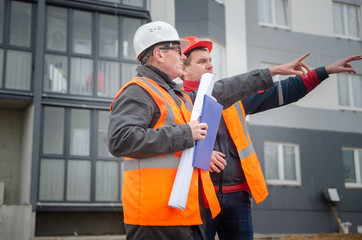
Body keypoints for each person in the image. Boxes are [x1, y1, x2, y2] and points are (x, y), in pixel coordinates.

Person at [107, 21, 312, 240]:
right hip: (154, 220)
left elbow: (225, 89)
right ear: (158, 54)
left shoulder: (175, 96)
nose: (183, 56)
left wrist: (270, 72)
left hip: (180, 215)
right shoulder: (138, 91)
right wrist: (186, 133)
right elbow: (121, 140)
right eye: (178, 51)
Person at [180, 36, 362, 240]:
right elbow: (165, 143)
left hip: (238, 197)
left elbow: (282, 92)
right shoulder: (175, 102)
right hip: (198, 197)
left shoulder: (233, 96)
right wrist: (200, 154)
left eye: (210, 59)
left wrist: (324, 71)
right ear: (183, 69)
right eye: (202, 61)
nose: (210, 64)